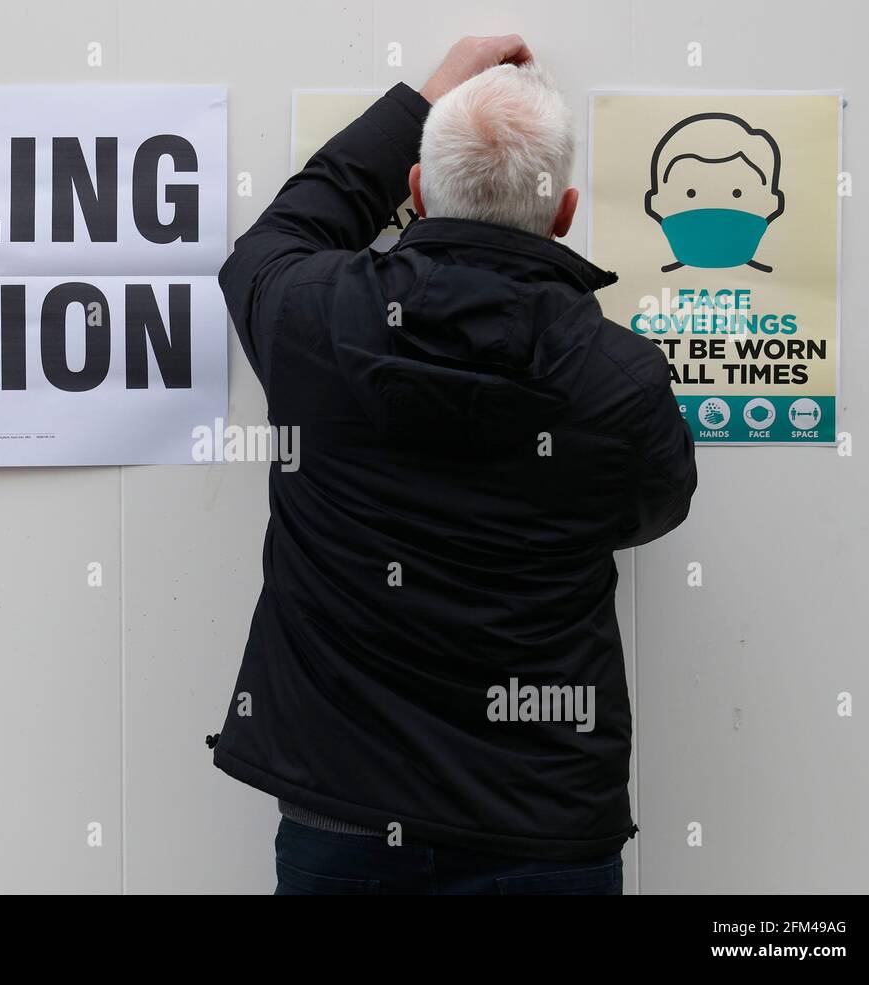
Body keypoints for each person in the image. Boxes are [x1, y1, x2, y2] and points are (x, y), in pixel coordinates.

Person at [210, 35, 698, 895]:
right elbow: (650, 512)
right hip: (545, 827)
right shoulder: (621, 379)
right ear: (563, 210)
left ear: (418, 191)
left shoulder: (312, 321)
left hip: (344, 821)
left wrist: (422, 98)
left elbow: (282, 231)